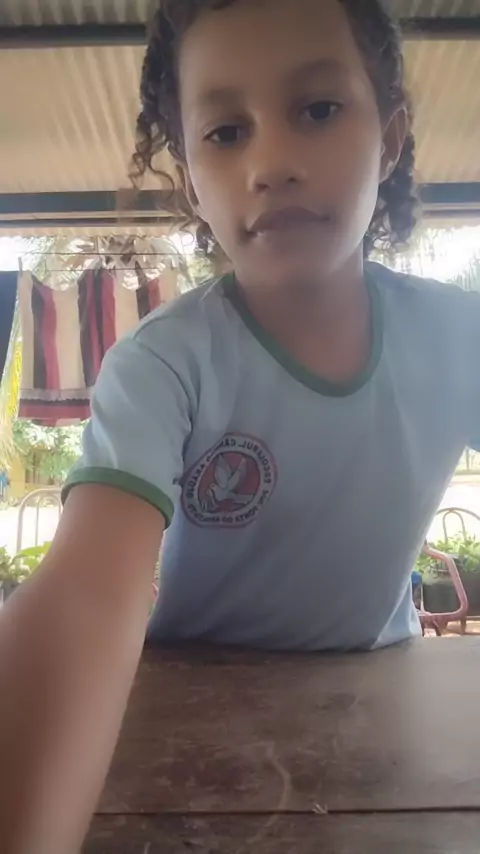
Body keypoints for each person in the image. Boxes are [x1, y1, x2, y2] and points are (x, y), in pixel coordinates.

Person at [1, 0, 479, 850]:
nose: (272, 163)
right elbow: (86, 595)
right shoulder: (164, 362)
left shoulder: (457, 336)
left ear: (391, 138)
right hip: (184, 709)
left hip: (383, 704)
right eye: (225, 133)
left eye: (318, 109)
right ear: (191, 181)